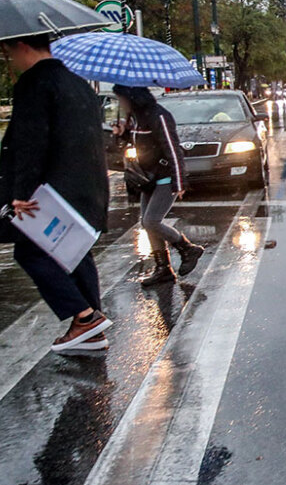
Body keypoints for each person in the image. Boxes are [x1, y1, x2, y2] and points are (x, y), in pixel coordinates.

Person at [0, 34, 111, 353]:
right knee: (75, 251)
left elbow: (31, 142)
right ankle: (92, 330)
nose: (11, 60)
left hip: (51, 190)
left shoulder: (34, 83)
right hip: (87, 187)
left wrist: (21, 192)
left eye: (9, 52)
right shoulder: (79, 84)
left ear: (22, 47)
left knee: (30, 252)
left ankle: (85, 317)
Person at [111, 85, 203, 285]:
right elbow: (142, 144)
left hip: (165, 177)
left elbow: (173, 149)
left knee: (151, 221)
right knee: (146, 222)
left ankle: (187, 248)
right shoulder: (135, 118)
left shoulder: (159, 116)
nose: (121, 104)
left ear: (132, 97)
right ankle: (163, 269)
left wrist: (180, 181)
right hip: (147, 178)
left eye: (122, 99)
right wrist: (123, 133)